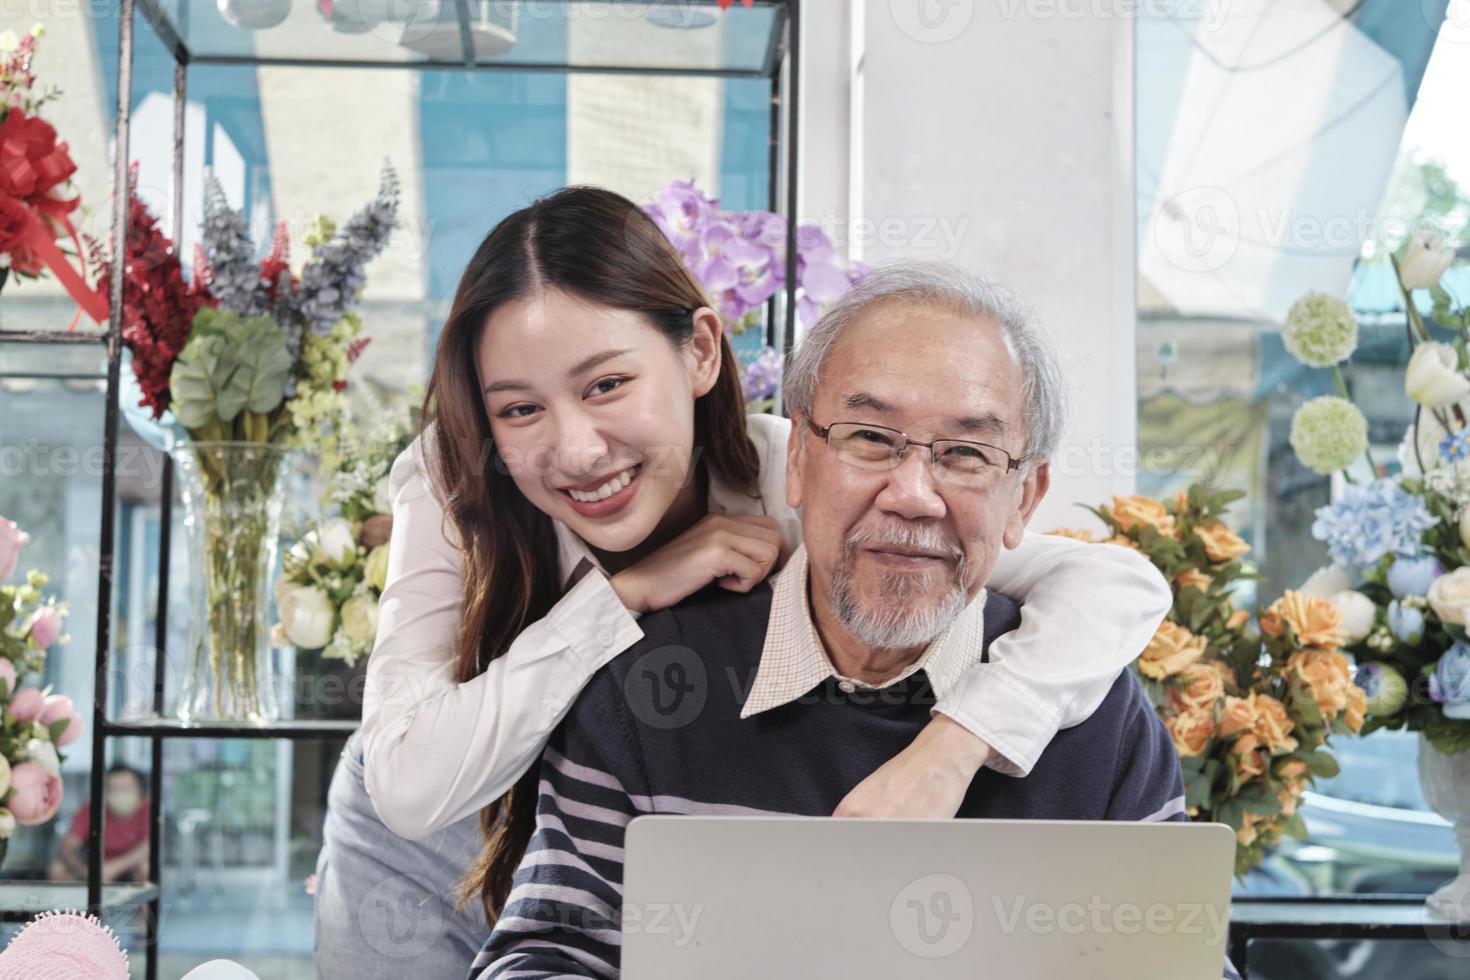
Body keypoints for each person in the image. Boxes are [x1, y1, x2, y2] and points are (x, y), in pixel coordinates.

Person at [314, 188, 1172, 976]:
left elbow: (1108, 586)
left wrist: (947, 754)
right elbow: (409, 788)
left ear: (698, 352)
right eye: (519, 408)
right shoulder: (453, 477)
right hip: (456, 796)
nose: (576, 450)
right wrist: (618, 599)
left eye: (608, 383)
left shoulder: (793, 468)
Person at [470, 261, 1230, 979]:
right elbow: (541, 956)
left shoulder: (1097, 715)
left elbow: (1182, 964)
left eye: (966, 453)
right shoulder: (649, 686)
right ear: (797, 457)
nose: (912, 494)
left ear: (1024, 500)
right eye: (870, 439)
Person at [49, 763, 150, 883]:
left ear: (139, 789)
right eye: (114, 789)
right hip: (93, 869)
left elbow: (148, 848)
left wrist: (113, 868)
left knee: (146, 869)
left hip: (130, 868)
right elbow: (67, 846)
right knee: (58, 869)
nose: (120, 794)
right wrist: (84, 870)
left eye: (125, 788)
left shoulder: (147, 810)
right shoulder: (92, 809)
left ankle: (144, 902)